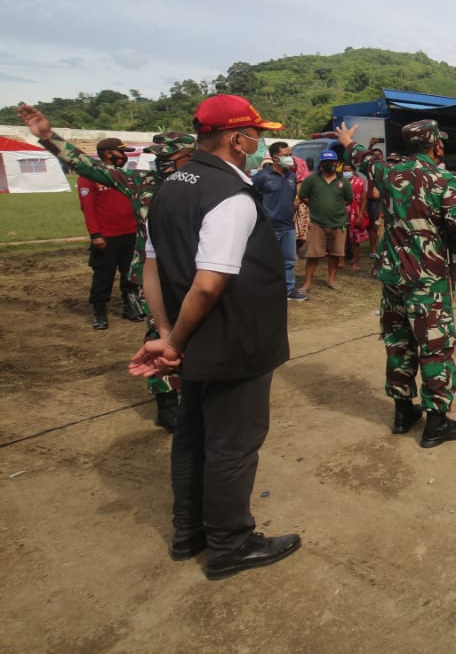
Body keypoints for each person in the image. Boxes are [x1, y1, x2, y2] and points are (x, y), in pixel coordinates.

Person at [128, 93, 300, 580]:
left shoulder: (170, 187)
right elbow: (209, 282)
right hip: (232, 342)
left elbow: (154, 267)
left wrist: (165, 332)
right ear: (234, 138)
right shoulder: (230, 196)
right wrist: (174, 342)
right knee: (233, 442)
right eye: (255, 133)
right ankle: (230, 542)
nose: (259, 142)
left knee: (194, 435)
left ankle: (190, 531)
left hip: (195, 337)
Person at [18, 103, 194, 429]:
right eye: (157, 154)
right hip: (155, 279)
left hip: (196, 278)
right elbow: (86, 165)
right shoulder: (142, 182)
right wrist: (47, 136)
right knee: (160, 336)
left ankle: (200, 398)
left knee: (200, 338)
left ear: (187, 155)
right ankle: (167, 402)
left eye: (167, 155)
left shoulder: (204, 186)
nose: (159, 160)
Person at [341, 119, 456, 446]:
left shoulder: (387, 173)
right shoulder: (444, 181)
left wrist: (349, 143)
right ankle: (436, 424)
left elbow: (364, 159)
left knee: (398, 341)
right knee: (435, 346)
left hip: (392, 274)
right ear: (435, 145)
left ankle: (403, 413)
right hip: (426, 278)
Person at [72, 137, 144, 329]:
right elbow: (88, 208)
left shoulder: (124, 175)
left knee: (130, 273)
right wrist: (95, 234)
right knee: (104, 275)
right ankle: (100, 313)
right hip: (107, 236)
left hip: (130, 232)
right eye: (121, 152)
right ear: (108, 153)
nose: (124, 156)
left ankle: (131, 306)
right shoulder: (88, 177)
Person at [253, 142, 307, 301]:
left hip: (288, 226)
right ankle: (267, 290)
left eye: (290, 155)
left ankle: (289, 289)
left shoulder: (291, 176)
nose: (290, 158)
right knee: (268, 261)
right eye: (287, 155)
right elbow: (254, 200)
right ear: (276, 157)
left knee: (289, 260)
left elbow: (290, 199)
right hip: (269, 227)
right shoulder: (262, 177)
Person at [298, 149, 353, 292]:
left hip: (338, 223)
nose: (330, 164)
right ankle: (308, 283)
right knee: (313, 255)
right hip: (317, 223)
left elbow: (348, 200)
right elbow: (303, 195)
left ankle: (331, 280)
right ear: (321, 164)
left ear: (337, 163)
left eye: (332, 162)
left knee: (335, 254)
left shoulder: (343, 181)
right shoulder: (312, 179)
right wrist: (316, 205)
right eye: (327, 162)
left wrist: (334, 208)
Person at [342, 163, 369, 268]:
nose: (346, 172)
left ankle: (356, 262)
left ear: (353, 171)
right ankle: (343, 261)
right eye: (344, 170)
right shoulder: (339, 183)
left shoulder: (360, 182)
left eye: (348, 170)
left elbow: (364, 200)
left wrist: (361, 215)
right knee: (342, 238)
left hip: (355, 213)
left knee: (355, 240)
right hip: (342, 213)